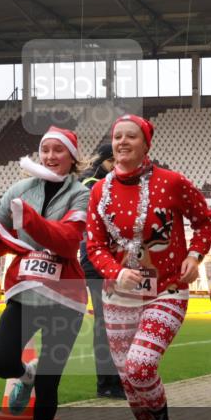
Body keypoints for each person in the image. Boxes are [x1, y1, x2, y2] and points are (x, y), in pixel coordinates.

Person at [86, 114, 211, 420]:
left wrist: (194, 255)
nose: (122, 143)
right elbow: (95, 245)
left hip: (167, 290)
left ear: (146, 144)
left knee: (141, 366)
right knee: (130, 383)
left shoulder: (171, 182)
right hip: (120, 296)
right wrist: (115, 271)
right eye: (117, 137)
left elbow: (204, 219)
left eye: (131, 137)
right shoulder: (100, 190)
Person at [0, 127, 89, 420]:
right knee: (0, 361)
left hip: (66, 299)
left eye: (58, 151)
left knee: (50, 385)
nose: (50, 157)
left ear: (72, 158)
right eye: (45, 150)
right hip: (25, 291)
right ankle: (25, 374)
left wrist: (32, 222)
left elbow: (67, 241)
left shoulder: (81, 195)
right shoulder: (19, 190)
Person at [78, 143, 125, 399]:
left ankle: (113, 381)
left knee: (113, 321)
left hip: (109, 260)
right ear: (109, 160)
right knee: (105, 323)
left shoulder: (102, 180)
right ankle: (107, 383)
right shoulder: (92, 183)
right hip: (96, 261)